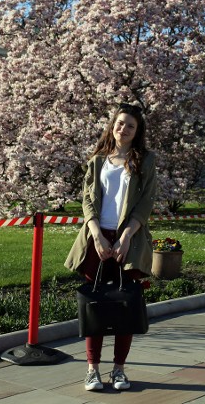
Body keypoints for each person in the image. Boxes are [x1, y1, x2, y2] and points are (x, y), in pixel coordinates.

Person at [65, 104, 157, 392]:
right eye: (120, 124)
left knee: (124, 304)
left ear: (137, 130)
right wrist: (95, 234)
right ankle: (92, 370)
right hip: (97, 238)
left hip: (128, 238)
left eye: (130, 125)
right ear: (112, 126)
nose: (124, 129)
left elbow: (146, 202)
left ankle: (119, 369)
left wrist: (126, 236)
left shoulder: (145, 160)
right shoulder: (98, 159)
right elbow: (87, 199)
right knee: (95, 304)